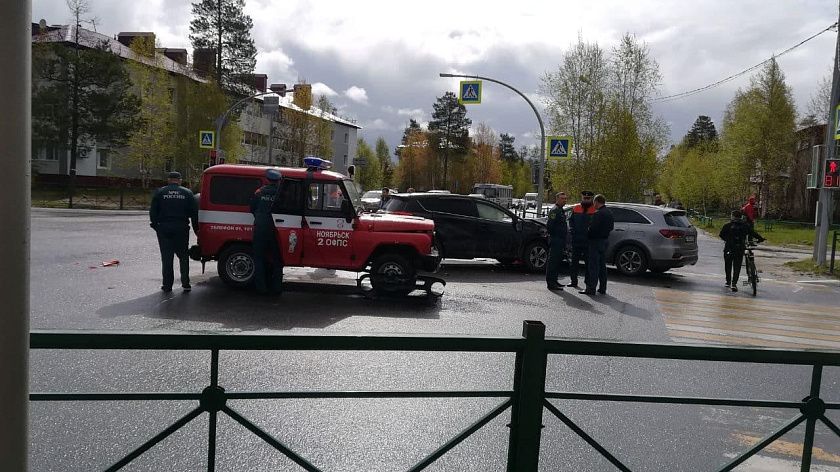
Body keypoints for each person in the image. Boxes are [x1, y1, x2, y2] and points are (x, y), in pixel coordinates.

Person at [149, 171, 198, 293]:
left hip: (164, 228)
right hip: (181, 227)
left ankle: (167, 285)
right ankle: (186, 283)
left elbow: (153, 212)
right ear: (180, 180)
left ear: (168, 179)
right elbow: (194, 213)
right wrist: (196, 229)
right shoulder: (187, 193)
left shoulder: (160, 192)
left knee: (167, 258)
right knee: (183, 256)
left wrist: (156, 226)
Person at [250, 169, 284, 294]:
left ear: (267, 180)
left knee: (258, 258)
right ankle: (276, 287)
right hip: (276, 229)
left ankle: (261, 288)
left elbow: (252, 209)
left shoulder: (259, 192)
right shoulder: (281, 193)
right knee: (277, 258)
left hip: (260, 227)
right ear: (279, 180)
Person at [719, 210, 765, 292]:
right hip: (740, 248)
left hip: (729, 248)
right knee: (737, 266)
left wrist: (728, 240)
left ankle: (728, 282)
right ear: (741, 217)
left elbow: (721, 235)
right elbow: (753, 233)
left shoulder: (727, 225)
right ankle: (734, 284)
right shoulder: (745, 225)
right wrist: (760, 238)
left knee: (728, 265)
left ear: (733, 216)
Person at [580, 194, 614, 295]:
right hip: (604, 241)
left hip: (595, 241)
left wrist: (588, 234)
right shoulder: (609, 213)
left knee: (593, 266)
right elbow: (611, 227)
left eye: (594, 203)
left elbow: (593, 228)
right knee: (602, 266)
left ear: (597, 202)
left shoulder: (598, 214)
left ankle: (591, 288)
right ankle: (602, 287)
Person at [567, 190, 596, 288]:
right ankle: (573, 281)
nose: (586, 200)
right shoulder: (576, 208)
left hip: (588, 241)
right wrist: (572, 231)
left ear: (592, 199)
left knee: (588, 264)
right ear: (582, 198)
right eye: (585, 198)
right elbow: (571, 221)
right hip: (577, 240)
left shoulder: (594, 209)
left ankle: (588, 282)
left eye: (588, 198)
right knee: (574, 263)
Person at [545, 192, 568, 290]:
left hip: (560, 239)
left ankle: (554, 280)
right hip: (556, 239)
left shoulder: (561, 210)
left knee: (557, 261)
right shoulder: (554, 210)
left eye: (565, 198)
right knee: (553, 262)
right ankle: (551, 283)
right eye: (562, 198)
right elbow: (550, 226)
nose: (564, 200)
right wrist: (555, 236)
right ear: (557, 199)